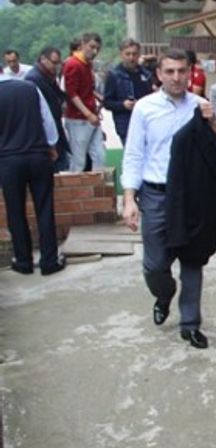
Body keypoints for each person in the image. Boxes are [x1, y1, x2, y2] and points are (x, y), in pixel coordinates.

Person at [121, 48, 216, 349]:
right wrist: (129, 198)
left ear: (191, 73)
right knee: (155, 264)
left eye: (182, 71)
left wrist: (213, 124)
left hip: (194, 197)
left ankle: (190, 323)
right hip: (156, 195)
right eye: (169, 71)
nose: (176, 77)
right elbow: (134, 154)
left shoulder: (201, 106)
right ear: (159, 74)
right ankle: (163, 294)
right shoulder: (145, 109)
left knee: (193, 259)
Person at [0, 62, 65, 275]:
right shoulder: (29, 87)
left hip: (9, 159)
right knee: (44, 208)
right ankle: (49, 261)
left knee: (15, 210)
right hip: (38, 155)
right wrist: (51, 145)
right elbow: (47, 120)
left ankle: (23, 261)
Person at [63, 32, 105, 172]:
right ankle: (74, 191)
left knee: (99, 155)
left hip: (91, 115)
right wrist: (88, 114)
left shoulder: (87, 64)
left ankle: (98, 189)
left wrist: (97, 96)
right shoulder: (72, 64)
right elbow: (72, 93)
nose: (94, 51)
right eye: (92, 47)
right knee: (78, 160)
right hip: (78, 118)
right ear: (82, 45)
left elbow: (84, 89)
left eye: (97, 48)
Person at [25, 47, 71, 172]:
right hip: (46, 132)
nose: (56, 67)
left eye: (58, 63)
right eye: (54, 62)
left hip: (55, 126)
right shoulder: (34, 79)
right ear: (43, 59)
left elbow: (59, 95)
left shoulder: (48, 76)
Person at [103, 38, 153, 145]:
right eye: (128, 54)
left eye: (134, 54)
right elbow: (107, 102)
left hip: (147, 122)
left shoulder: (146, 74)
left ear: (139, 54)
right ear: (121, 54)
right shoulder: (114, 75)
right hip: (126, 125)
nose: (131, 58)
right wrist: (123, 105)